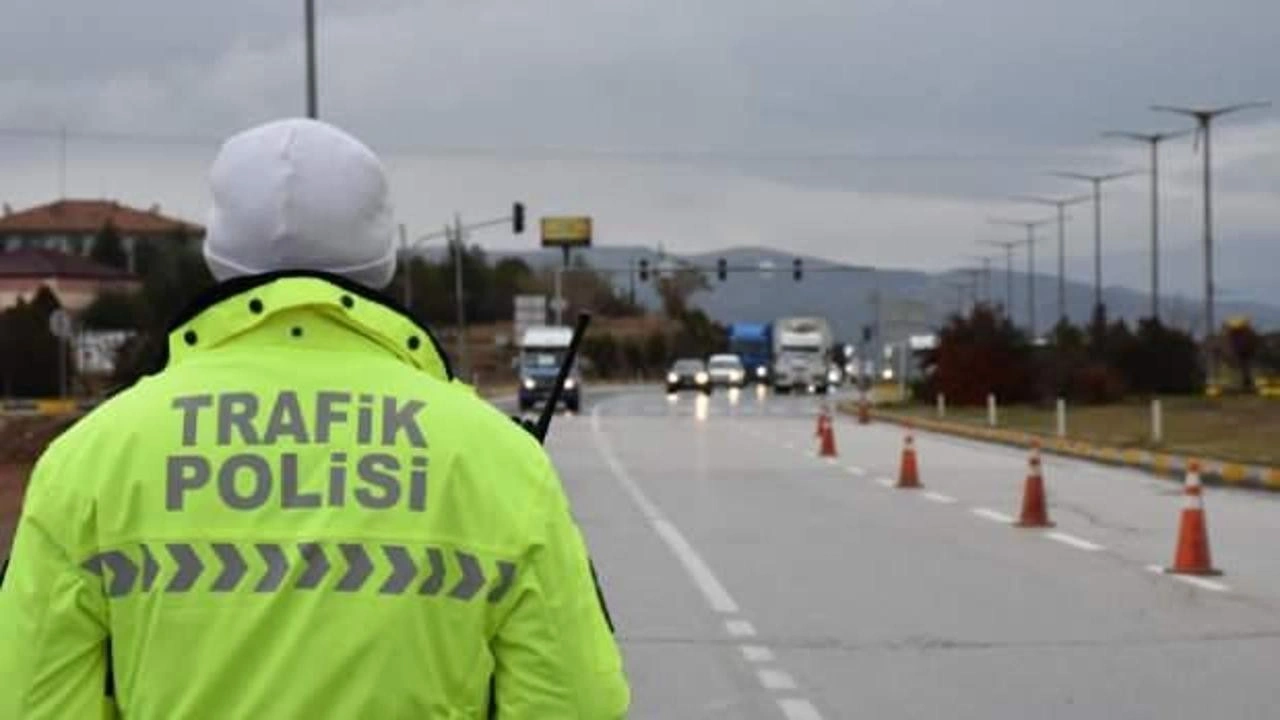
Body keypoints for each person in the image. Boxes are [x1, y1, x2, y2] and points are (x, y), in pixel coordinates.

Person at [0, 118, 630, 719]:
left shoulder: (89, 462)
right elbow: (577, 703)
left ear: (217, 253)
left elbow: (28, 702)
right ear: (383, 253)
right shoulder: (500, 462)